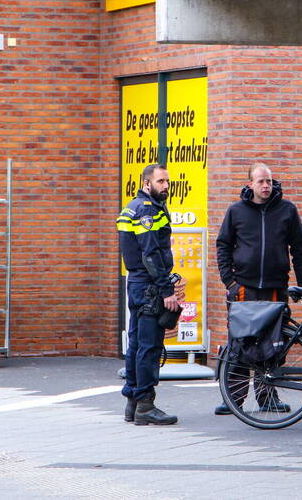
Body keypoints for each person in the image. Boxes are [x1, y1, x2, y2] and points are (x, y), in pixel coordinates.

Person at [214, 162, 302, 416]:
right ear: (250, 184)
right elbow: (223, 245)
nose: (266, 185)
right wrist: (229, 282)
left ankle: (268, 397)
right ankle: (233, 399)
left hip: (275, 288)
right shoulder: (236, 211)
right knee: (240, 344)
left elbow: (300, 248)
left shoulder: (287, 210)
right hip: (243, 289)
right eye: (261, 181)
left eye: (269, 180)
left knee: (273, 344)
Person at [117, 164, 182, 426]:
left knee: (136, 344)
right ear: (147, 183)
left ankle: (132, 403)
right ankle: (145, 405)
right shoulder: (147, 210)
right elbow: (151, 254)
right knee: (150, 346)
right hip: (149, 286)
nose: (165, 186)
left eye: (167, 181)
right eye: (160, 181)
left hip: (137, 283)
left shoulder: (132, 207)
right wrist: (166, 290)